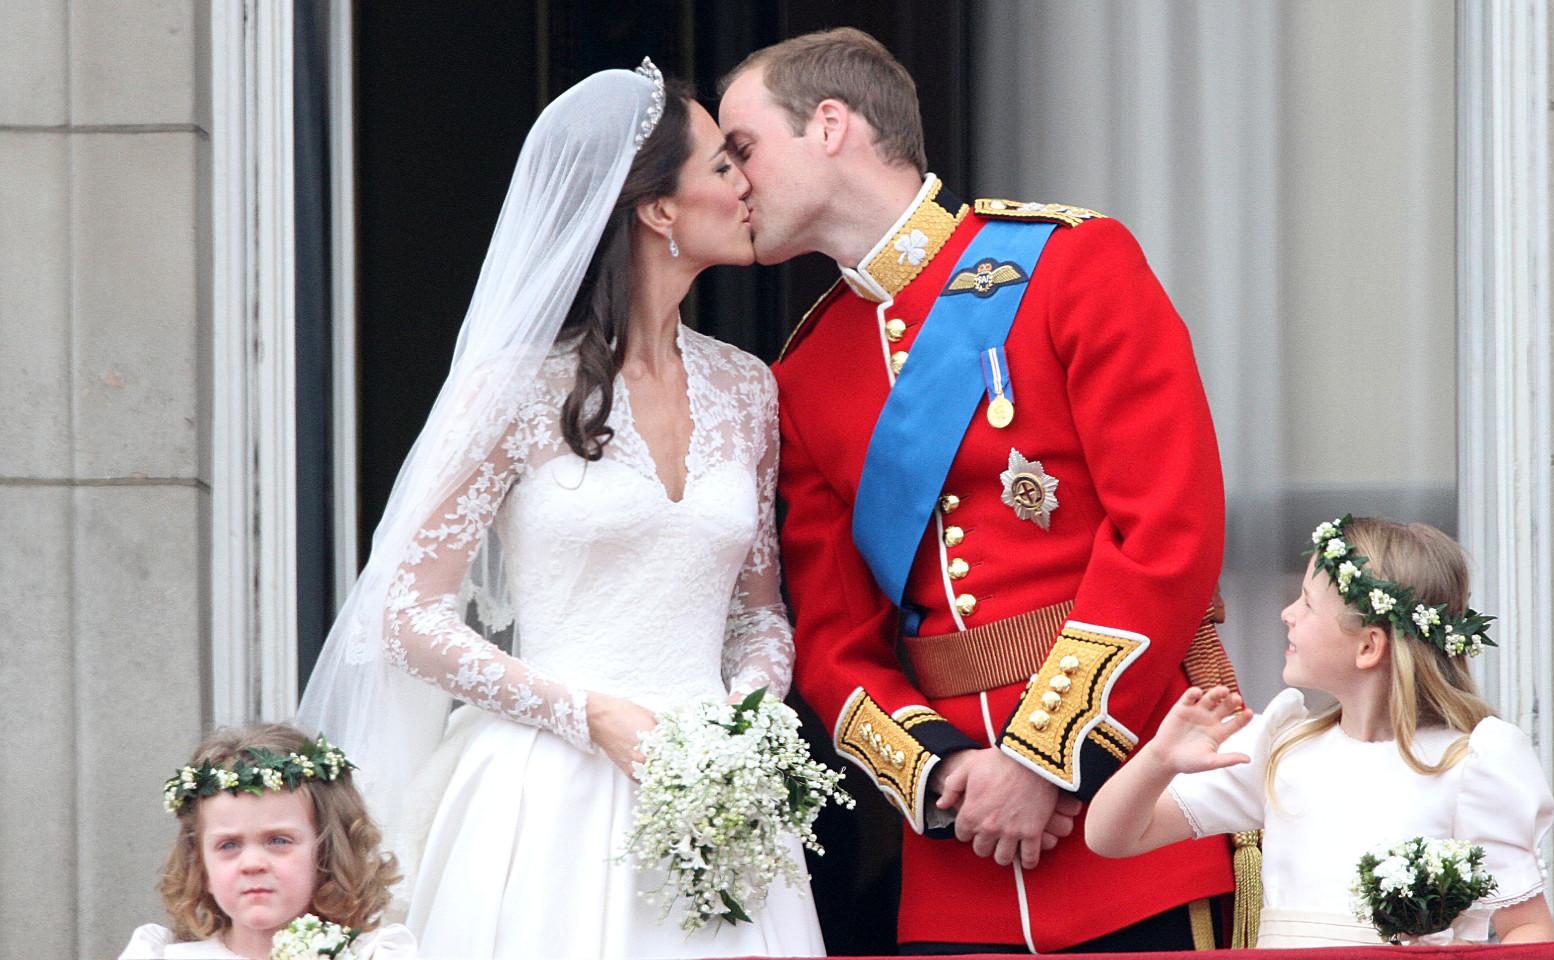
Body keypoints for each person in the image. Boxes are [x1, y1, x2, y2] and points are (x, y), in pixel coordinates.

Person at [719, 28, 1240, 953]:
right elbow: (835, 644)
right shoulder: (804, 372)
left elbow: (1171, 529)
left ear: (830, 126)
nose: (732, 179)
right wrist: (946, 773)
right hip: (963, 861)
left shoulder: (1073, 263)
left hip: (1138, 809)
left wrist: (1045, 757)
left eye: (744, 146)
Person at [294, 61, 823, 958]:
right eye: (724, 166)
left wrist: (746, 722)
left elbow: (758, 612)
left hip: (719, 804)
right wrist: (593, 716)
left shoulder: (749, 389)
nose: (747, 185)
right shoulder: (513, 390)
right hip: (546, 795)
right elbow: (405, 614)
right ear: (658, 208)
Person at [1084, 515, 1554, 947]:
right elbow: (1112, 837)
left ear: (1369, 646)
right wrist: (1158, 761)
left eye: (1307, 603)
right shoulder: (1282, 747)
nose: (1288, 613)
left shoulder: (1469, 765)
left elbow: (1528, 928)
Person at [120, 724, 416, 959]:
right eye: (229, 845)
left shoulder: (372, 954)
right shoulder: (163, 956)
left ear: (327, 851)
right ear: (201, 865)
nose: (252, 864)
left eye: (278, 840)